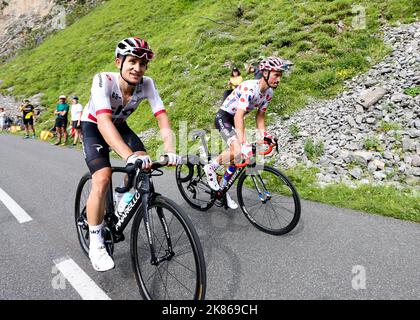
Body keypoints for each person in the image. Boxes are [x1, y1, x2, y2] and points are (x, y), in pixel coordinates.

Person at [80, 37, 180, 272]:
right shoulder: (103, 80)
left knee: (143, 163)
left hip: (120, 124)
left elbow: (162, 116)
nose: (138, 68)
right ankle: (96, 243)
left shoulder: (147, 83)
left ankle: (123, 194)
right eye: (132, 61)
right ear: (119, 62)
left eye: (143, 64)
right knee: (102, 177)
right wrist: (128, 156)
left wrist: (171, 149)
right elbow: (104, 122)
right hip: (95, 124)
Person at [204, 57, 293, 208]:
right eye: (276, 75)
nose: (279, 79)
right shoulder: (249, 87)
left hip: (235, 120)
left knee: (238, 158)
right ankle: (211, 167)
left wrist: (265, 136)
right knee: (239, 149)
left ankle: (222, 189)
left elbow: (260, 117)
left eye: (280, 75)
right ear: (265, 73)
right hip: (225, 117)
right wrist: (243, 143)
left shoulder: (269, 93)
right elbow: (239, 115)